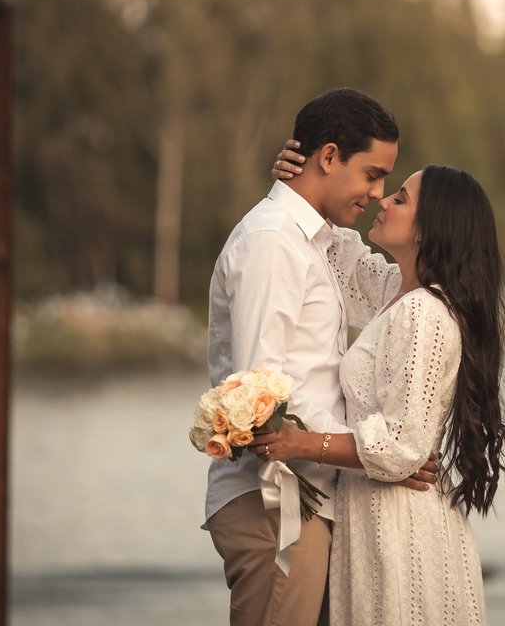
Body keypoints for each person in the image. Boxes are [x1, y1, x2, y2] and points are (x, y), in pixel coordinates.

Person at [201, 88, 436, 626]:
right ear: (329, 157)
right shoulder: (271, 242)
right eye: (372, 175)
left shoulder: (315, 243)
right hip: (276, 502)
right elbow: (259, 399)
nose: (378, 194)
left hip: (308, 500)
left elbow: (395, 294)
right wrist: (377, 454)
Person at [251, 151, 505, 626]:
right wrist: (301, 183)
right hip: (375, 515)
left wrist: (298, 443)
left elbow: (401, 449)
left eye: (401, 198)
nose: (382, 200)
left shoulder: (425, 313)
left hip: (400, 527)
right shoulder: (397, 291)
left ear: (428, 230)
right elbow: (340, 253)